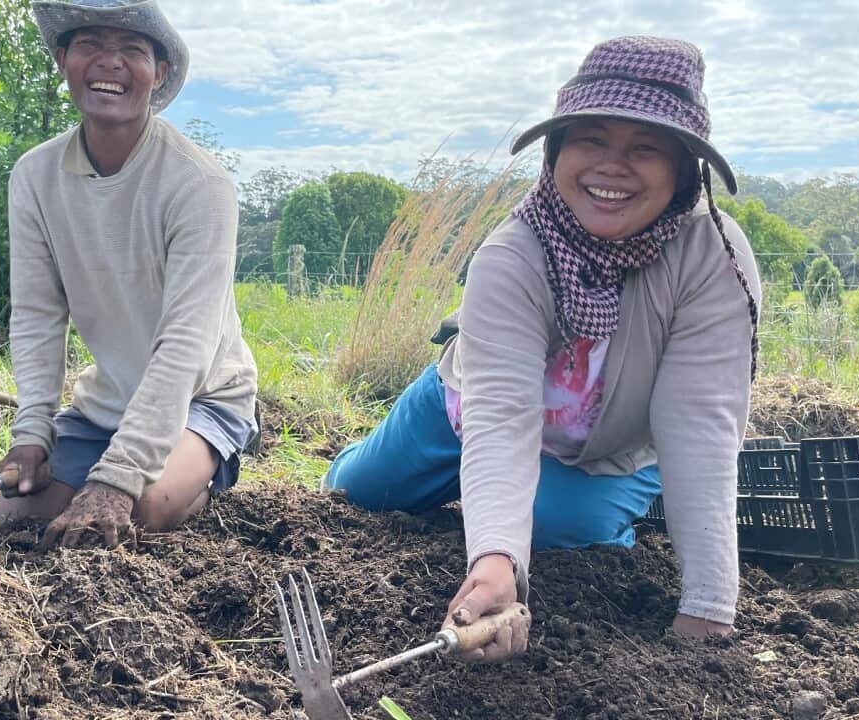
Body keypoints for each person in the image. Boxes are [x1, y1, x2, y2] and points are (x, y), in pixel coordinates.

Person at [326, 36, 761, 661]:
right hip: (464, 410)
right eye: (591, 140)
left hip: (601, 454)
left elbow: (702, 426)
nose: (613, 166)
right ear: (556, 152)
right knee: (359, 494)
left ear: (684, 169)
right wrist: (496, 560)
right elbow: (500, 415)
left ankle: (508, 510)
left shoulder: (711, 256)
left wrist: (708, 609)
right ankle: (411, 476)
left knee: (560, 528)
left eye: (645, 147)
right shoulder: (512, 253)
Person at [0, 0, 258, 549]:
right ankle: (115, 464)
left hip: (203, 398)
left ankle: (203, 470)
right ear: (63, 60)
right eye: (90, 45)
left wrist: (116, 477)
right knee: (9, 520)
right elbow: (38, 314)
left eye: (132, 50)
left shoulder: (199, 185)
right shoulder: (36, 176)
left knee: (143, 509)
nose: (109, 62)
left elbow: (187, 343)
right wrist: (33, 433)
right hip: (107, 402)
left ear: (158, 74)